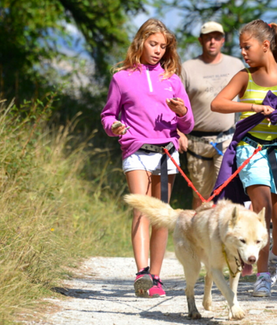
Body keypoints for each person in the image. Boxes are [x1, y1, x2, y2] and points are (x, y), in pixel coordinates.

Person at [211, 19, 277, 297]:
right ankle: (262, 275)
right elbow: (218, 103)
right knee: (261, 211)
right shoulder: (243, 77)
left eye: (247, 47)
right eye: (241, 48)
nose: (243, 53)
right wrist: (253, 106)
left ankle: (276, 259)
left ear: (266, 45)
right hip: (251, 151)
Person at [100, 18, 193, 299]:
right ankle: (142, 273)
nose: (158, 51)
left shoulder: (173, 81)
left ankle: (156, 276)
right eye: (153, 44)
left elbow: (188, 124)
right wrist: (114, 127)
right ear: (141, 42)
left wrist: (181, 113)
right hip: (136, 151)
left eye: (163, 47)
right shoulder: (121, 78)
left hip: (166, 153)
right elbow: (108, 115)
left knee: (161, 216)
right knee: (141, 209)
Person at [179, 21, 245, 209]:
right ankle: (198, 236)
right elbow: (176, 102)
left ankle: (222, 237)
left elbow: (247, 97)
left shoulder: (235, 64)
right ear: (201, 40)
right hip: (197, 142)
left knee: (225, 194)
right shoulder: (188, 68)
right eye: (208, 38)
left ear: (223, 40)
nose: (212, 42)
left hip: (226, 138)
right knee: (201, 197)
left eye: (216, 38)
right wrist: (179, 131)